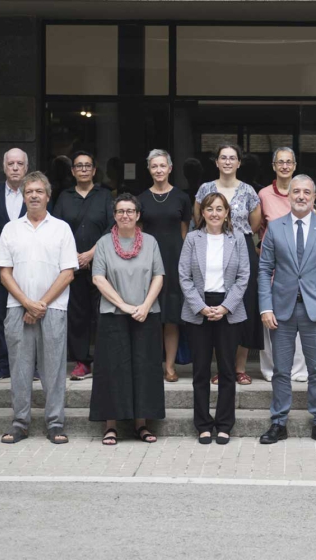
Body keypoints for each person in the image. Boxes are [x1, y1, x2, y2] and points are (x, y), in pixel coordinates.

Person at [258, 175, 316, 446]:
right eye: (297, 191)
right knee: (281, 369)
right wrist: (265, 307)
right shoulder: (275, 228)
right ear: (289, 195)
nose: (301, 196)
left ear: (314, 196)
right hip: (281, 309)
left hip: (314, 309)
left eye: (307, 192)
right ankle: (278, 422)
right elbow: (264, 270)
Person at [0, 171, 78, 444]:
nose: (33, 195)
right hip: (17, 307)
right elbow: (5, 273)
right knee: (19, 367)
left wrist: (40, 304)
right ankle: (20, 422)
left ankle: (55, 423)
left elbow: (67, 272)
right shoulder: (11, 229)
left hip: (53, 308)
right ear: (23, 195)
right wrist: (27, 303)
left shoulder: (61, 228)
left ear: (48, 195)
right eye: (29, 191)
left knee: (53, 368)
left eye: (38, 191)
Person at [90, 194, 165, 445]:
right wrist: (122, 305)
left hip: (146, 313)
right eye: (121, 211)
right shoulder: (102, 244)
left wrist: (144, 306)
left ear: (138, 215)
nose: (125, 215)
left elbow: (158, 276)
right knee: (113, 369)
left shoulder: (151, 242)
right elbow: (98, 278)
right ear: (114, 215)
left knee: (144, 369)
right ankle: (111, 426)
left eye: (130, 211)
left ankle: (141, 424)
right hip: (113, 315)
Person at [179, 193, 250, 445]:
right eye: (210, 209)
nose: (215, 213)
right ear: (203, 213)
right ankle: (203, 424)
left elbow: (243, 277)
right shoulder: (192, 239)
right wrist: (200, 307)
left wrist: (225, 307)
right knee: (200, 371)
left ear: (227, 213)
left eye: (220, 209)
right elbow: (184, 277)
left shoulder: (238, 239)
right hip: (198, 310)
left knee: (227, 370)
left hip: (228, 309)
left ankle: (224, 424)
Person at [193, 144, 263, 385]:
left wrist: (235, 237)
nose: (227, 162)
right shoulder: (205, 189)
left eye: (232, 158)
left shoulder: (249, 191)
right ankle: (221, 367)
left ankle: (240, 367)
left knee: (242, 306)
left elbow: (255, 224)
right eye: (223, 157)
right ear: (216, 162)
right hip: (212, 246)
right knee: (216, 302)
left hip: (241, 247)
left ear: (239, 163)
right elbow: (198, 219)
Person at [53, 150, 114, 380]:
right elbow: (57, 228)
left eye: (88, 166)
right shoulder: (64, 197)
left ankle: (103, 360)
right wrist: (75, 257)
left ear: (94, 170)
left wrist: (90, 254)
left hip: (101, 263)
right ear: (72, 171)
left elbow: (112, 227)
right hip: (72, 263)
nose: (84, 170)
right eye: (79, 166)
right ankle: (81, 361)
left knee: (102, 313)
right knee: (77, 314)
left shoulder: (105, 196)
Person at [138, 149, 191, 382]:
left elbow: (185, 234)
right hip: (148, 263)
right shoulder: (140, 199)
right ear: (149, 170)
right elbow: (137, 234)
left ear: (170, 168)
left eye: (162, 166)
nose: (158, 170)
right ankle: (150, 366)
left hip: (174, 261)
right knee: (149, 316)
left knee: (171, 316)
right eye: (154, 166)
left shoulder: (182, 198)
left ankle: (169, 367)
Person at [257, 147, 309, 383]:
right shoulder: (264, 194)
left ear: (295, 165)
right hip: (273, 266)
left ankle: (298, 370)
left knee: (299, 318)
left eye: (289, 162)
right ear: (274, 165)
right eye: (281, 162)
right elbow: (257, 228)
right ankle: (271, 369)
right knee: (272, 320)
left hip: (300, 268)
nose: (285, 166)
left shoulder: (302, 191)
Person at [0, 148, 29, 381]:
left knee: (29, 314)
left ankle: (30, 366)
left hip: (29, 267)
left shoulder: (34, 194)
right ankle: (3, 364)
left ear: (26, 168)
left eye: (19, 164)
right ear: (4, 167)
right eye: (10, 163)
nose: (14, 167)